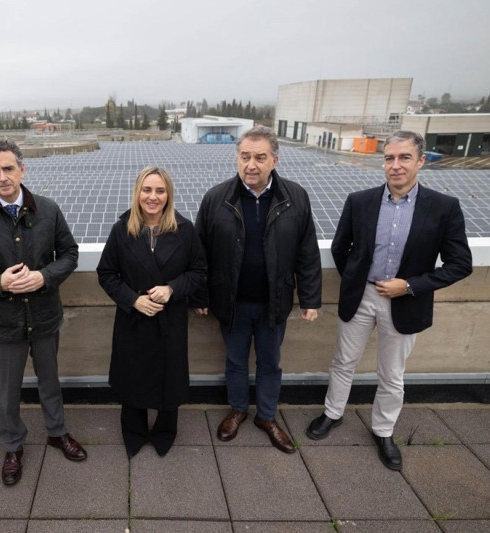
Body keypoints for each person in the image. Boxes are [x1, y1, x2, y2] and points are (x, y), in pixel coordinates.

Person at [306, 130, 472, 471]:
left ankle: (383, 431)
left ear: (421, 161)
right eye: (389, 158)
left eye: (404, 158)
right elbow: (341, 249)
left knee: (392, 374)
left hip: (405, 301)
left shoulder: (444, 208)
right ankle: (333, 413)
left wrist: (409, 286)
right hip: (361, 295)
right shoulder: (360, 201)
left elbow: (460, 265)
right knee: (343, 361)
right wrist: (355, 279)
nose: (395, 166)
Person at [0, 139, 86, 487]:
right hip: (2, 322)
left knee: (50, 381)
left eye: (8, 168)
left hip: (43, 317)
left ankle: (57, 433)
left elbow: (69, 254)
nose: (2, 176)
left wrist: (44, 276)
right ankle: (13, 446)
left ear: (22, 169)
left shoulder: (49, 210)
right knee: (6, 390)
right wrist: (0, 283)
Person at [195, 125, 322, 454]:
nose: (251, 164)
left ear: (274, 160)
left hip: (274, 302)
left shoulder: (296, 198)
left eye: (260, 157)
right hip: (231, 302)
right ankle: (238, 409)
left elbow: (307, 252)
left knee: (270, 363)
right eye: (245, 156)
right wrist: (201, 296)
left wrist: (309, 298)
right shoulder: (216, 198)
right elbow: (200, 253)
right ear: (237, 158)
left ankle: (266, 416)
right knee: (235, 362)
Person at [97, 166, 207, 457]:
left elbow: (198, 271)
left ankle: (165, 430)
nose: (153, 196)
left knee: (169, 378)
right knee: (132, 376)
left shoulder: (185, 230)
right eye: (147, 190)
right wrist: (133, 300)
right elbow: (106, 273)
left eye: (160, 190)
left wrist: (171, 288)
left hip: (169, 321)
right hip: (133, 319)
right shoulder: (121, 230)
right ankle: (133, 431)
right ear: (138, 193)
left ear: (168, 194)